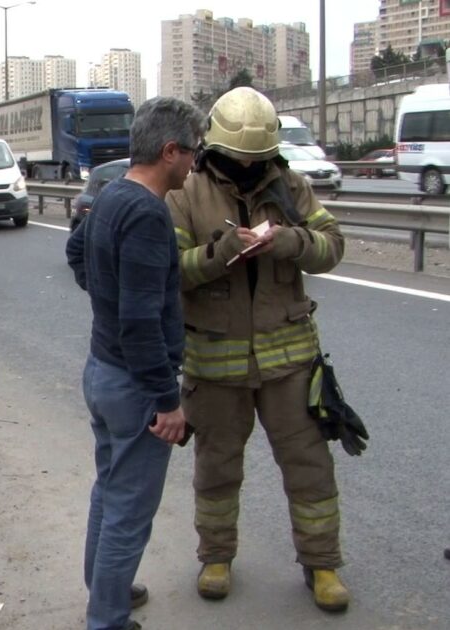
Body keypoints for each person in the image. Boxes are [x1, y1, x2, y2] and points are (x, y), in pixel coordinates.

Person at [164, 86, 349, 612]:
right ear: (215, 148)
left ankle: (323, 565)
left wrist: (291, 242)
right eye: (239, 158)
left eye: (257, 159)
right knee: (217, 467)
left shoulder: (291, 184)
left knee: (309, 466)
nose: (248, 167)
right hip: (216, 362)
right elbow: (174, 269)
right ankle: (216, 557)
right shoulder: (186, 192)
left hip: (289, 359)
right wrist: (222, 252)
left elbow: (331, 245)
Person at [65, 96, 203, 630]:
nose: (195, 164)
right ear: (170, 151)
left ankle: (107, 587)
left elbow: (77, 254)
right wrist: (167, 402)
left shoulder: (113, 194)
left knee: (110, 488)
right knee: (128, 509)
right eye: (192, 152)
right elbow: (141, 322)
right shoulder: (147, 214)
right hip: (134, 386)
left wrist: (107, 294)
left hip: (102, 372)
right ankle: (108, 619)